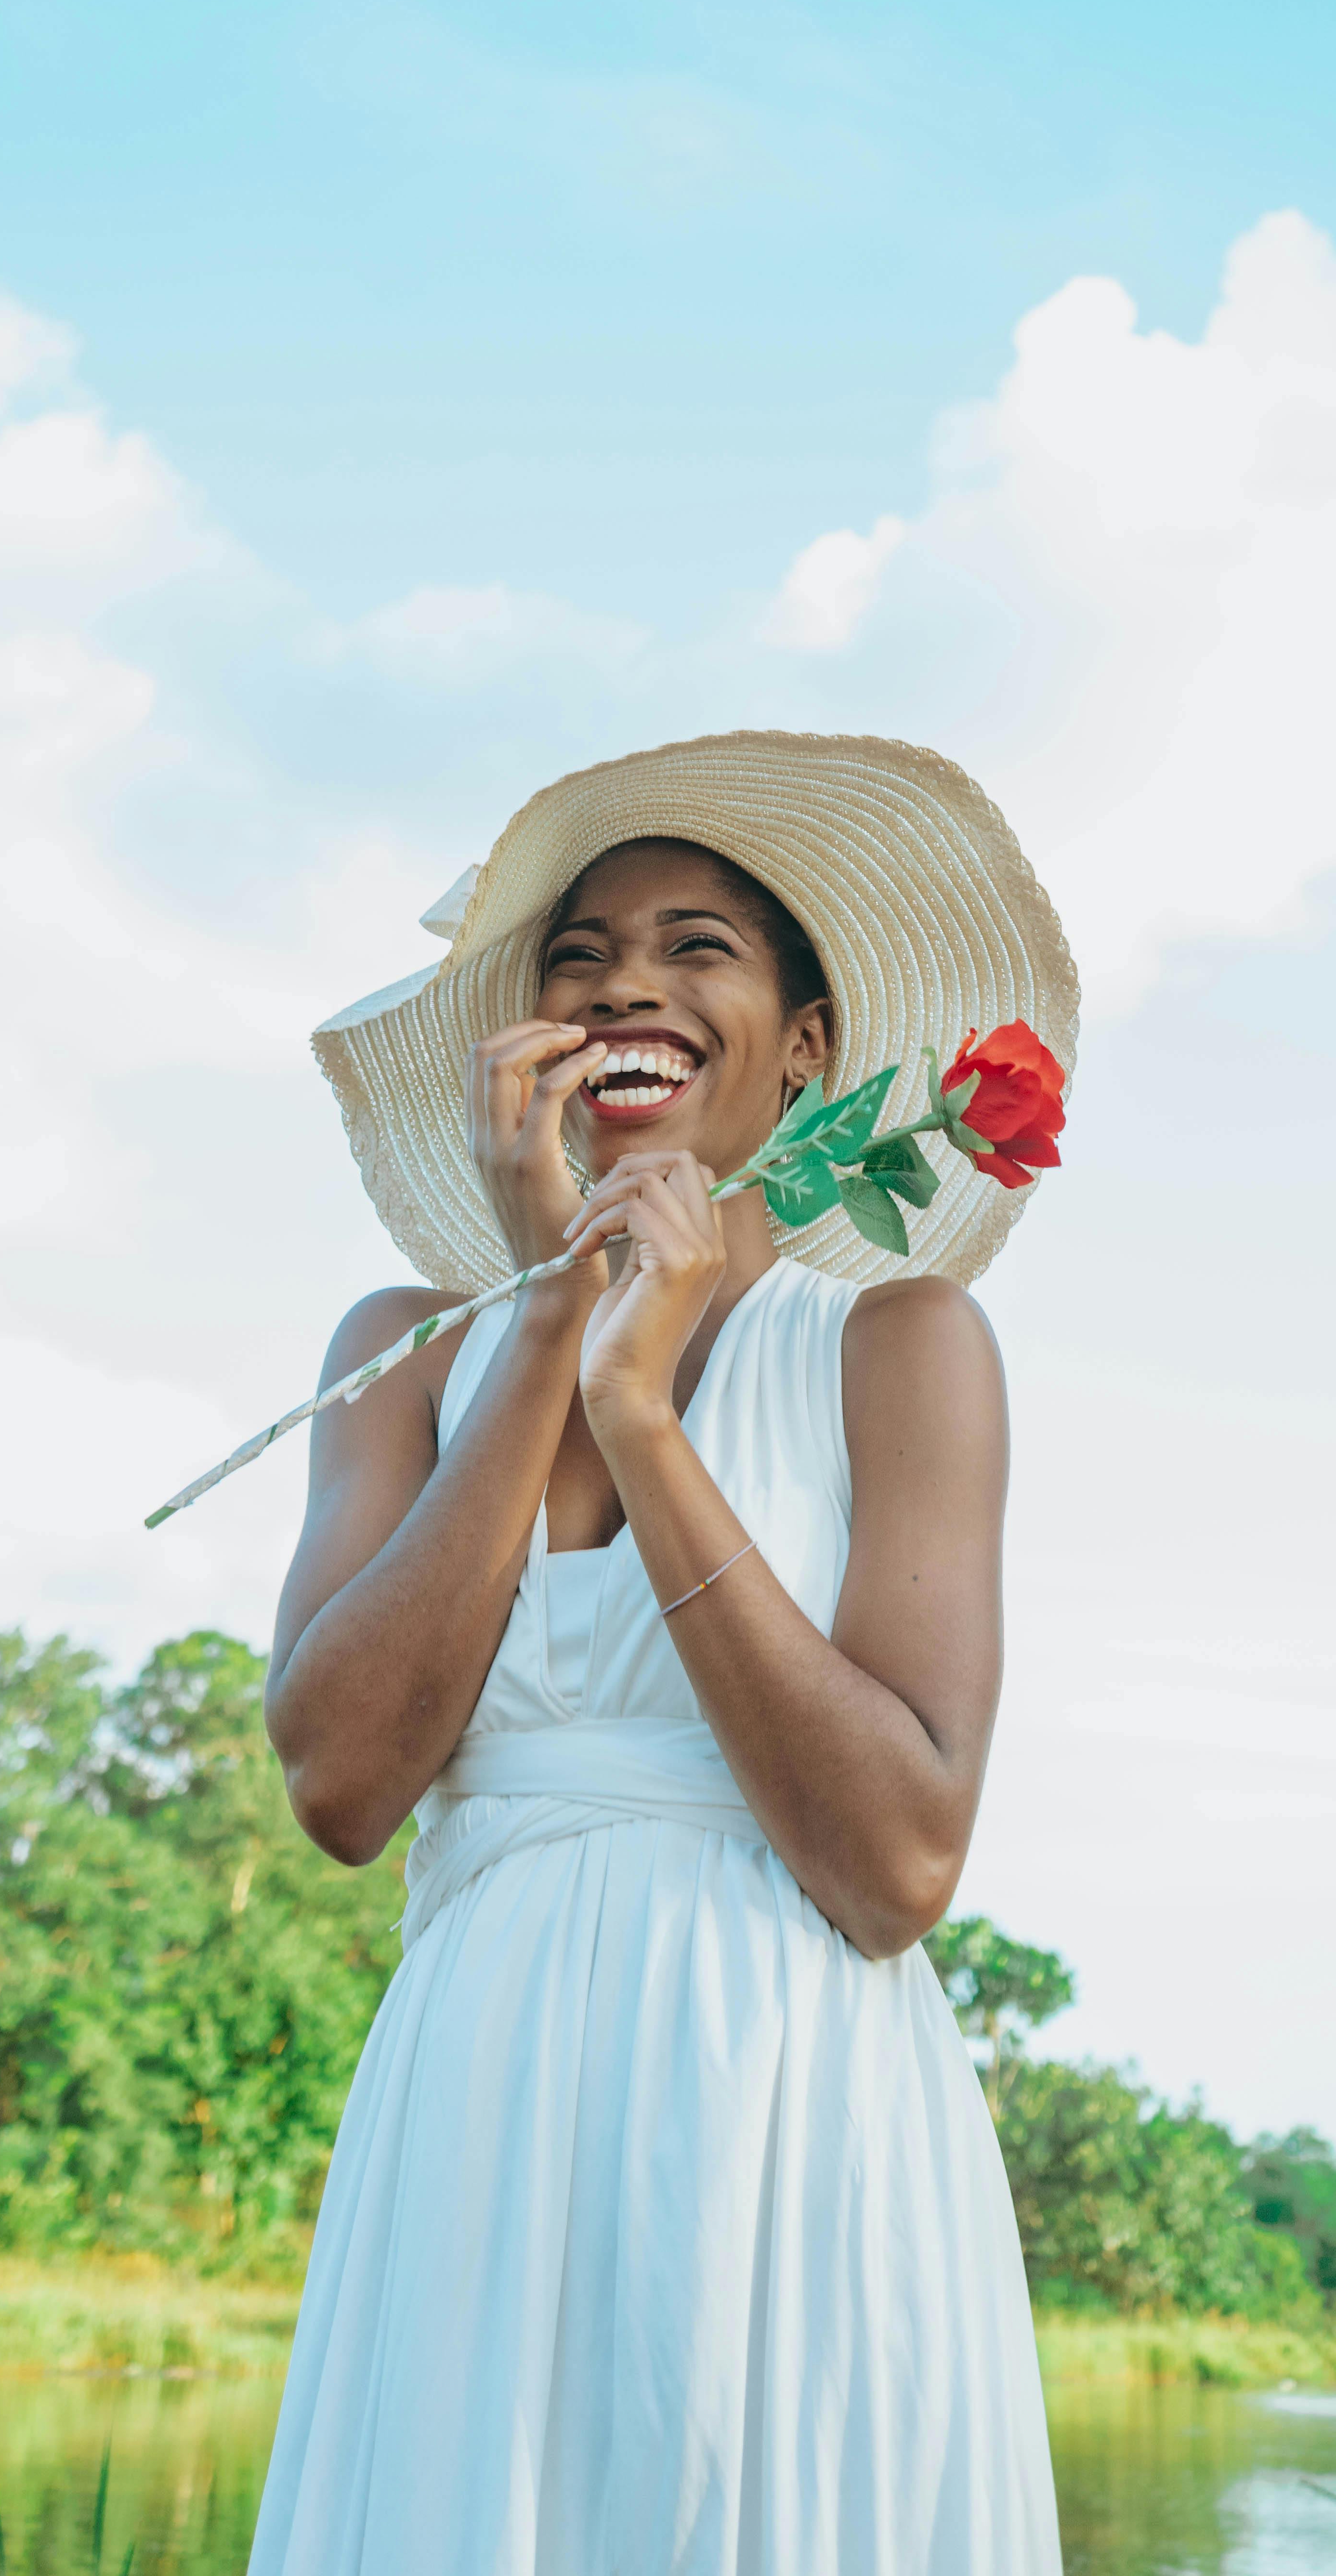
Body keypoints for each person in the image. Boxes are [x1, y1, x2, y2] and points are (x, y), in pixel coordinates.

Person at [250, 729, 1075, 2576]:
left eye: (699, 946)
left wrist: (645, 1417)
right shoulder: (406, 1352)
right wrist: (550, 1323)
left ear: (803, 1048)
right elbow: (340, 1784)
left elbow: (897, 1864)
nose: (627, 978)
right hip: (478, 2116)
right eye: (580, 953)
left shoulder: (901, 1350)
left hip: (794, 2115)